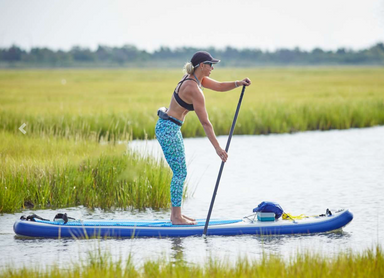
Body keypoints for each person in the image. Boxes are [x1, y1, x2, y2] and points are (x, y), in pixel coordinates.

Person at [155, 51, 251, 225]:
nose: (213, 68)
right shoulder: (193, 89)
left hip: (171, 127)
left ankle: (176, 215)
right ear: (201, 66)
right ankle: (176, 217)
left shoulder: (195, 79)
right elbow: (206, 123)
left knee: (180, 172)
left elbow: (220, 86)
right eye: (210, 64)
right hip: (168, 129)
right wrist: (218, 149)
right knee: (180, 173)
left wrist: (239, 83)